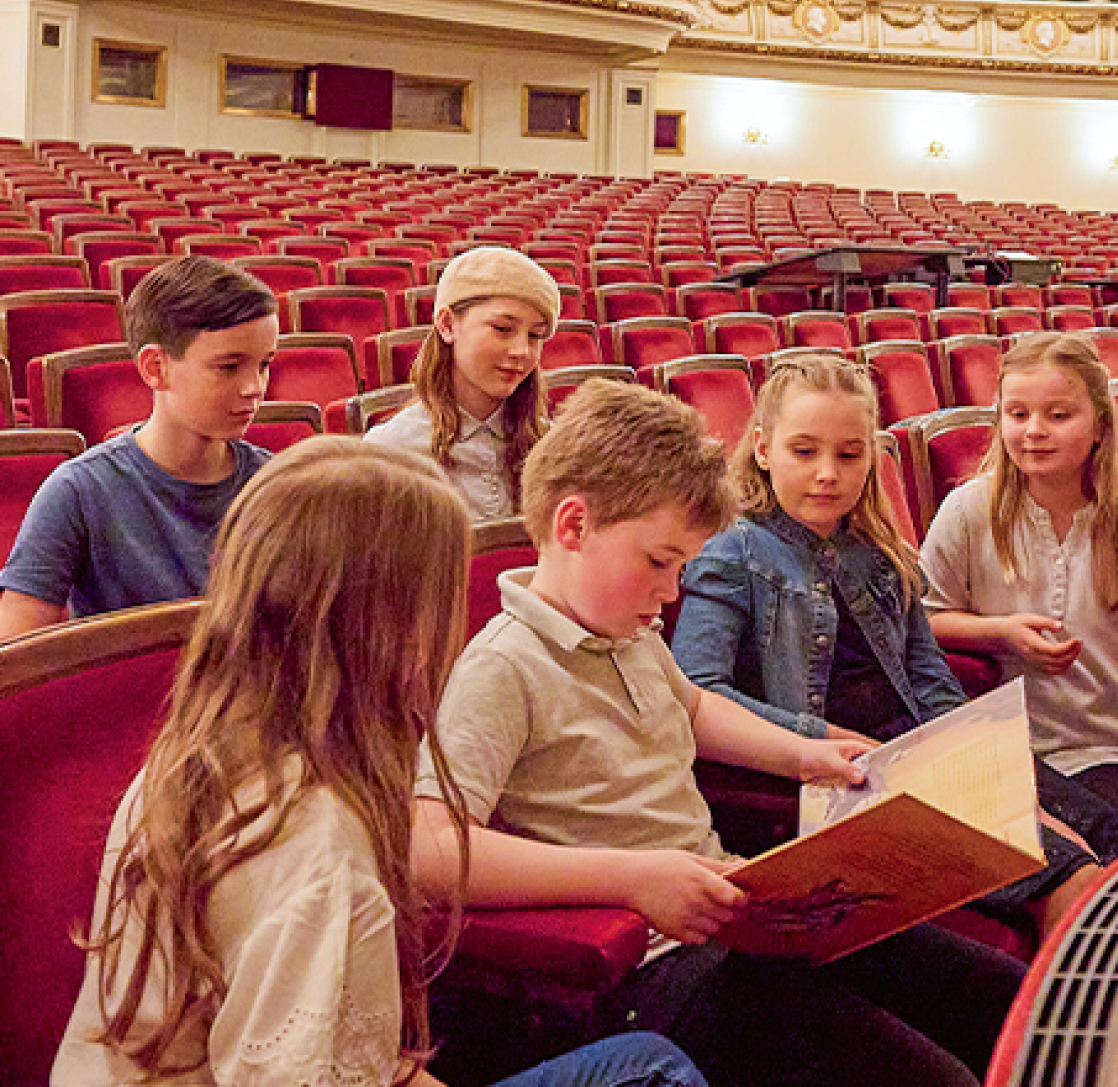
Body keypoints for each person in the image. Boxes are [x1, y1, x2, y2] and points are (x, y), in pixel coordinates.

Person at [411, 379, 1027, 1087]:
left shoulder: (627, 630)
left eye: (678, 567)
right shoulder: (503, 666)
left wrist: (806, 753)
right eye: (657, 562)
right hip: (643, 967)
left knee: (1002, 999)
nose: (670, 593)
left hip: (735, 915)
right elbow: (428, 849)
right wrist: (633, 876)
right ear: (573, 526)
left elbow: (696, 711)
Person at [54, 435, 708, 1087]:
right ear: (392, 627)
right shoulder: (319, 846)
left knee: (644, 1062)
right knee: (652, 1071)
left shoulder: (191, 754)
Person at [671, 351, 1114, 936]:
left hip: (920, 755)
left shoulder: (877, 554)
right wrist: (819, 737)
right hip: (833, 779)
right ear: (761, 449)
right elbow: (696, 692)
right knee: (1071, 875)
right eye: (804, 452)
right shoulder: (733, 553)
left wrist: (986, 766)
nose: (828, 472)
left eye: (849, 454)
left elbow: (930, 680)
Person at [919, 332, 1118, 836]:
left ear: (1100, 425)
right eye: (1017, 415)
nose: (1034, 431)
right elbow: (921, 621)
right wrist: (999, 633)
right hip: (1010, 754)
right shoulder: (968, 511)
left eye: (1058, 416)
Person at [0, 255, 279, 641]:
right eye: (229, 367)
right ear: (155, 368)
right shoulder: (78, 492)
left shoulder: (276, 486)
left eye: (264, 364)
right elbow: (19, 656)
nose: (255, 387)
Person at [366, 245, 562, 520]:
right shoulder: (390, 453)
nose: (522, 351)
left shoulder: (552, 448)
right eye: (503, 329)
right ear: (447, 325)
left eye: (535, 335)